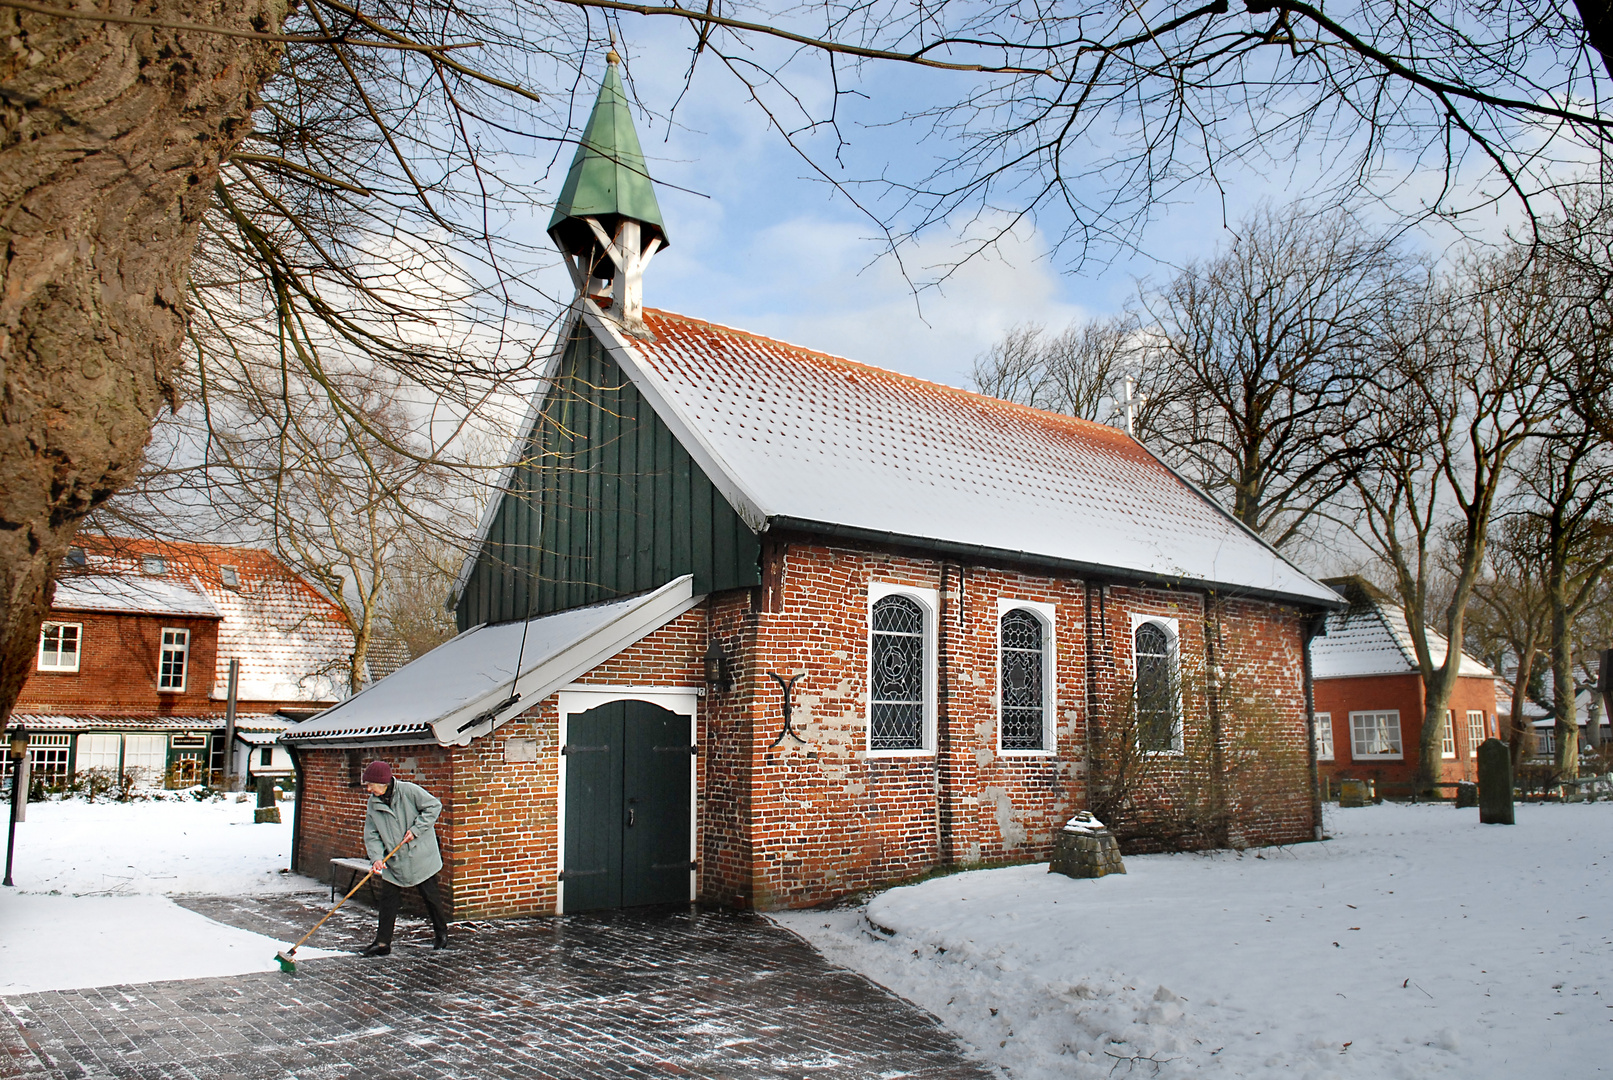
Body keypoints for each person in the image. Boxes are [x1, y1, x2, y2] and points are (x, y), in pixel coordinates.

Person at [359, 760, 448, 956]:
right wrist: (376, 858)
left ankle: (441, 933)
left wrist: (416, 830)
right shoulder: (373, 804)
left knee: (431, 897)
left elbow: (434, 806)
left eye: (370, 784)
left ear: (382, 782)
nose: (368, 789)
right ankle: (382, 943)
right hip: (395, 861)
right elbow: (371, 833)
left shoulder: (409, 791)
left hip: (421, 856)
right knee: (387, 901)